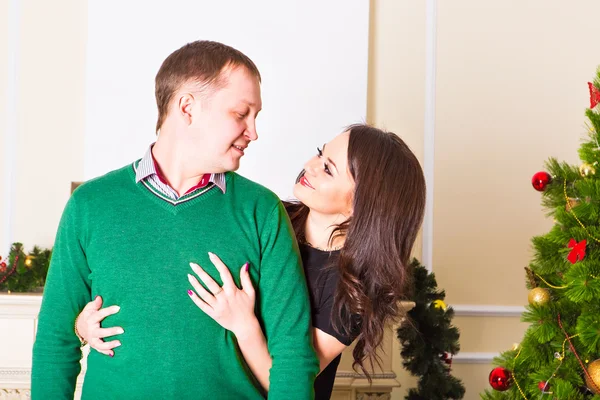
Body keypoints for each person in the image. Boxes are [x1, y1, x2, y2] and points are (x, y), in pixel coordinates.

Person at [31, 40, 319, 400]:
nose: (253, 131)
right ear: (187, 107)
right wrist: (77, 327)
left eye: (255, 117)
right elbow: (55, 342)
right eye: (241, 113)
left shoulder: (262, 210)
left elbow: (293, 354)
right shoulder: (89, 205)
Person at [76, 124, 427, 399]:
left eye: (328, 169)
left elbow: (286, 380)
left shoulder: (352, 291)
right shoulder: (268, 215)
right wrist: (84, 325)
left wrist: (244, 325)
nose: (309, 166)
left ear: (361, 205)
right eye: (319, 154)